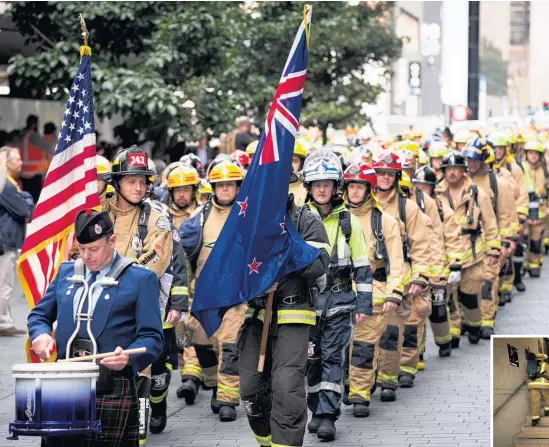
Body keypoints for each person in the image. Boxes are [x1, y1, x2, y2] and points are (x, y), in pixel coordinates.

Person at [28, 209, 164, 446]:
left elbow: (152, 337)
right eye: (81, 249)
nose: (86, 256)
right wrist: (39, 334)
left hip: (112, 384)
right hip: (64, 382)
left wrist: (129, 358)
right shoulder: (66, 273)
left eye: (94, 249)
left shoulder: (139, 278)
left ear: (112, 241)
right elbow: (40, 314)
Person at [238, 191, 330, 447]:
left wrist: (284, 255)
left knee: (286, 387)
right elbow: (233, 268)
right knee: (250, 391)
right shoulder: (247, 220)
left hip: (294, 315)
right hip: (257, 316)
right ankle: (267, 442)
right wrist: (257, 283)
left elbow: (320, 264)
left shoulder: (306, 219)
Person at [100, 146, 177, 442]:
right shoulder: (97, 211)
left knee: (139, 378)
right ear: (117, 182)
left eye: (142, 181)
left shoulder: (157, 219)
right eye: (131, 180)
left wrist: (111, 278)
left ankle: (138, 435)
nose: (138, 187)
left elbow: (153, 264)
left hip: (135, 311)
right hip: (96, 313)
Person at [302, 150, 372, 441]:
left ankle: (329, 415)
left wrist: (364, 302)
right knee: (311, 361)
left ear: (336, 186)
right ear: (308, 186)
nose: (321, 188)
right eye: (316, 183)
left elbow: (362, 265)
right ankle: (316, 409)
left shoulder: (348, 222)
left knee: (333, 357)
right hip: (306, 306)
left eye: (327, 183)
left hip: (340, 303)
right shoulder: (299, 218)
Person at [180, 159, 247, 422]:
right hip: (203, 294)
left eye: (230, 185)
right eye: (221, 185)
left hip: (236, 295)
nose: (225, 190)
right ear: (213, 187)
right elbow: (182, 255)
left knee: (230, 346)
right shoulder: (198, 218)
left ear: (238, 186)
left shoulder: (247, 216)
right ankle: (213, 383)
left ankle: (228, 398)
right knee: (201, 343)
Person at [342, 162, 406, 417]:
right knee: (338, 348)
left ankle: (360, 394)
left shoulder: (385, 222)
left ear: (369, 189)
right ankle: (347, 386)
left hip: (373, 292)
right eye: (351, 186)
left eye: (360, 186)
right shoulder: (335, 217)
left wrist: (394, 292)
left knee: (363, 347)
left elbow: (397, 262)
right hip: (338, 292)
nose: (355, 192)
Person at [371, 150, 431, 400]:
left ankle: (388, 380)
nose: (385, 177)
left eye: (390, 173)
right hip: (367, 280)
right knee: (365, 335)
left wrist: (420, 277)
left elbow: (421, 245)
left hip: (398, 279)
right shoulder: (362, 201)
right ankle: (367, 377)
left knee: (391, 333)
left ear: (397, 176)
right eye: (380, 173)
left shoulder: (408, 208)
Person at [435, 151, 500, 347]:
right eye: (448, 169)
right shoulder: (436, 195)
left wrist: (494, 250)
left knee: (471, 296)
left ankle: (473, 325)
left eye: (456, 168)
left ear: (463, 171)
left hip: (473, 255)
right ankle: (453, 334)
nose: (452, 172)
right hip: (447, 256)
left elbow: (490, 224)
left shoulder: (477, 193)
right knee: (450, 297)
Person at [463, 138, 518, 338]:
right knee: (468, 284)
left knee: (487, 282)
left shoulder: (498, 184)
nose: (471, 164)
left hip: (490, 240)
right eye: (468, 160)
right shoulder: (461, 182)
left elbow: (506, 216)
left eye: (475, 160)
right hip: (466, 243)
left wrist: (506, 242)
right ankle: (469, 320)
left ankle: (487, 321)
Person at [163, 163, 204, 404]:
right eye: (176, 190)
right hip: (169, 288)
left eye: (186, 189)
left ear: (194, 191)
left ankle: (191, 378)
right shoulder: (161, 216)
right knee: (178, 337)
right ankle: (193, 373)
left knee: (191, 332)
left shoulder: (202, 215)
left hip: (196, 286)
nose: (181, 194)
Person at [0, 146, 33, 335]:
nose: (21, 162)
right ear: (7, 163)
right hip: (6, 240)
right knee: (5, 283)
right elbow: (23, 210)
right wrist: (26, 198)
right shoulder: (5, 185)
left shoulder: (8, 183)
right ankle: (3, 322)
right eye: (17, 159)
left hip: (5, 239)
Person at [522, 140, 549, 278]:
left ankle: (534, 264)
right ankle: (525, 263)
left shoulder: (544, 169)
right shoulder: (522, 168)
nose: (533, 156)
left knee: (536, 240)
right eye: (530, 153)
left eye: (535, 153)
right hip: (525, 210)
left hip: (541, 211)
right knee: (524, 238)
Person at [20, 115, 55, 203]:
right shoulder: (33, 136)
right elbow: (47, 147)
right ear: (34, 124)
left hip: (23, 172)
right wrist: (55, 139)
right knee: (33, 201)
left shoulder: (23, 134)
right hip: (33, 173)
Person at [288, 141, 309, 206]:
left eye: (294, 161)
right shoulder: (266, 186)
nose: (289, 165)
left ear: (301, 165)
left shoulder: (307, 190)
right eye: (285, 160)